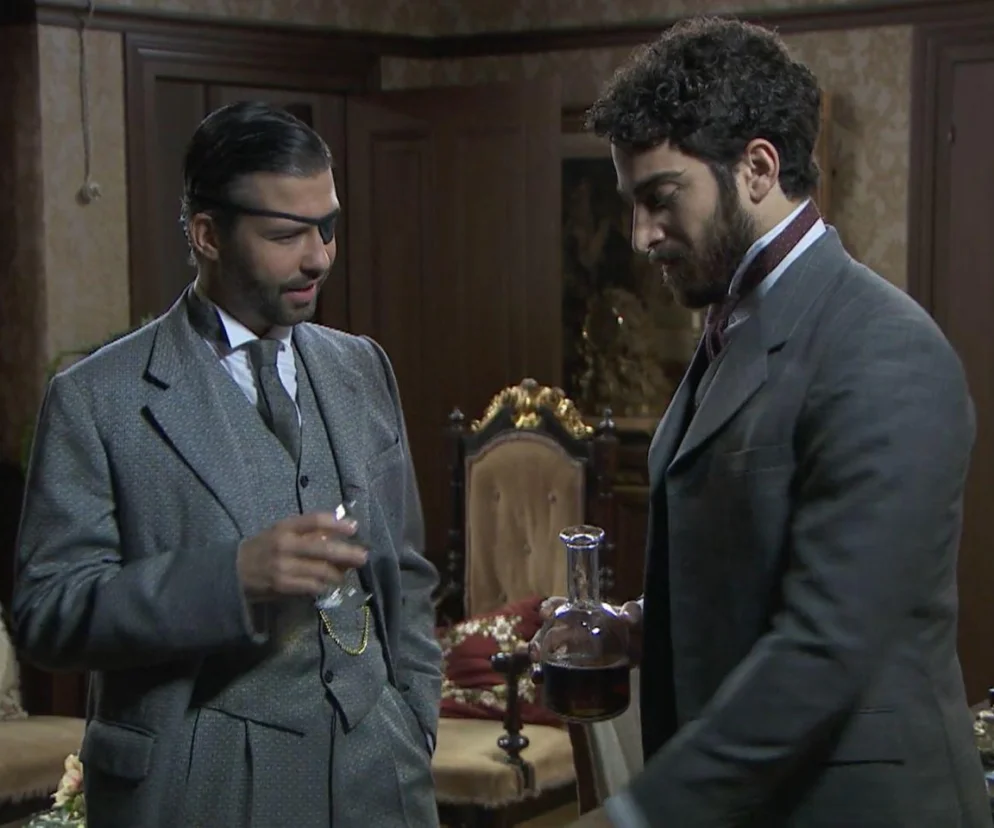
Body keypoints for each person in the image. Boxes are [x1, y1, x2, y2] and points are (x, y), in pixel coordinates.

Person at [541, 16, 992, 827]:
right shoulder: (732, 324)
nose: (641, 236)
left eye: (660, 199)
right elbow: (753, 562)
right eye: (633, 204)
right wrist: (638, 627)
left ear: (757, 168)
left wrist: (638, 816)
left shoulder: (883, 349)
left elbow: (828, 644)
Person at [12, 101, 442, 828]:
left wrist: (413, 720)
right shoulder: (97, 398)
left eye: (327, 226)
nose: (319, 257)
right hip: (205, 785)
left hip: (379, 775)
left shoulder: (362, 367)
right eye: (286, 234)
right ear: (207, 234)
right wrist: (231, 578)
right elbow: (47, 612)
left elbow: (406, 571)